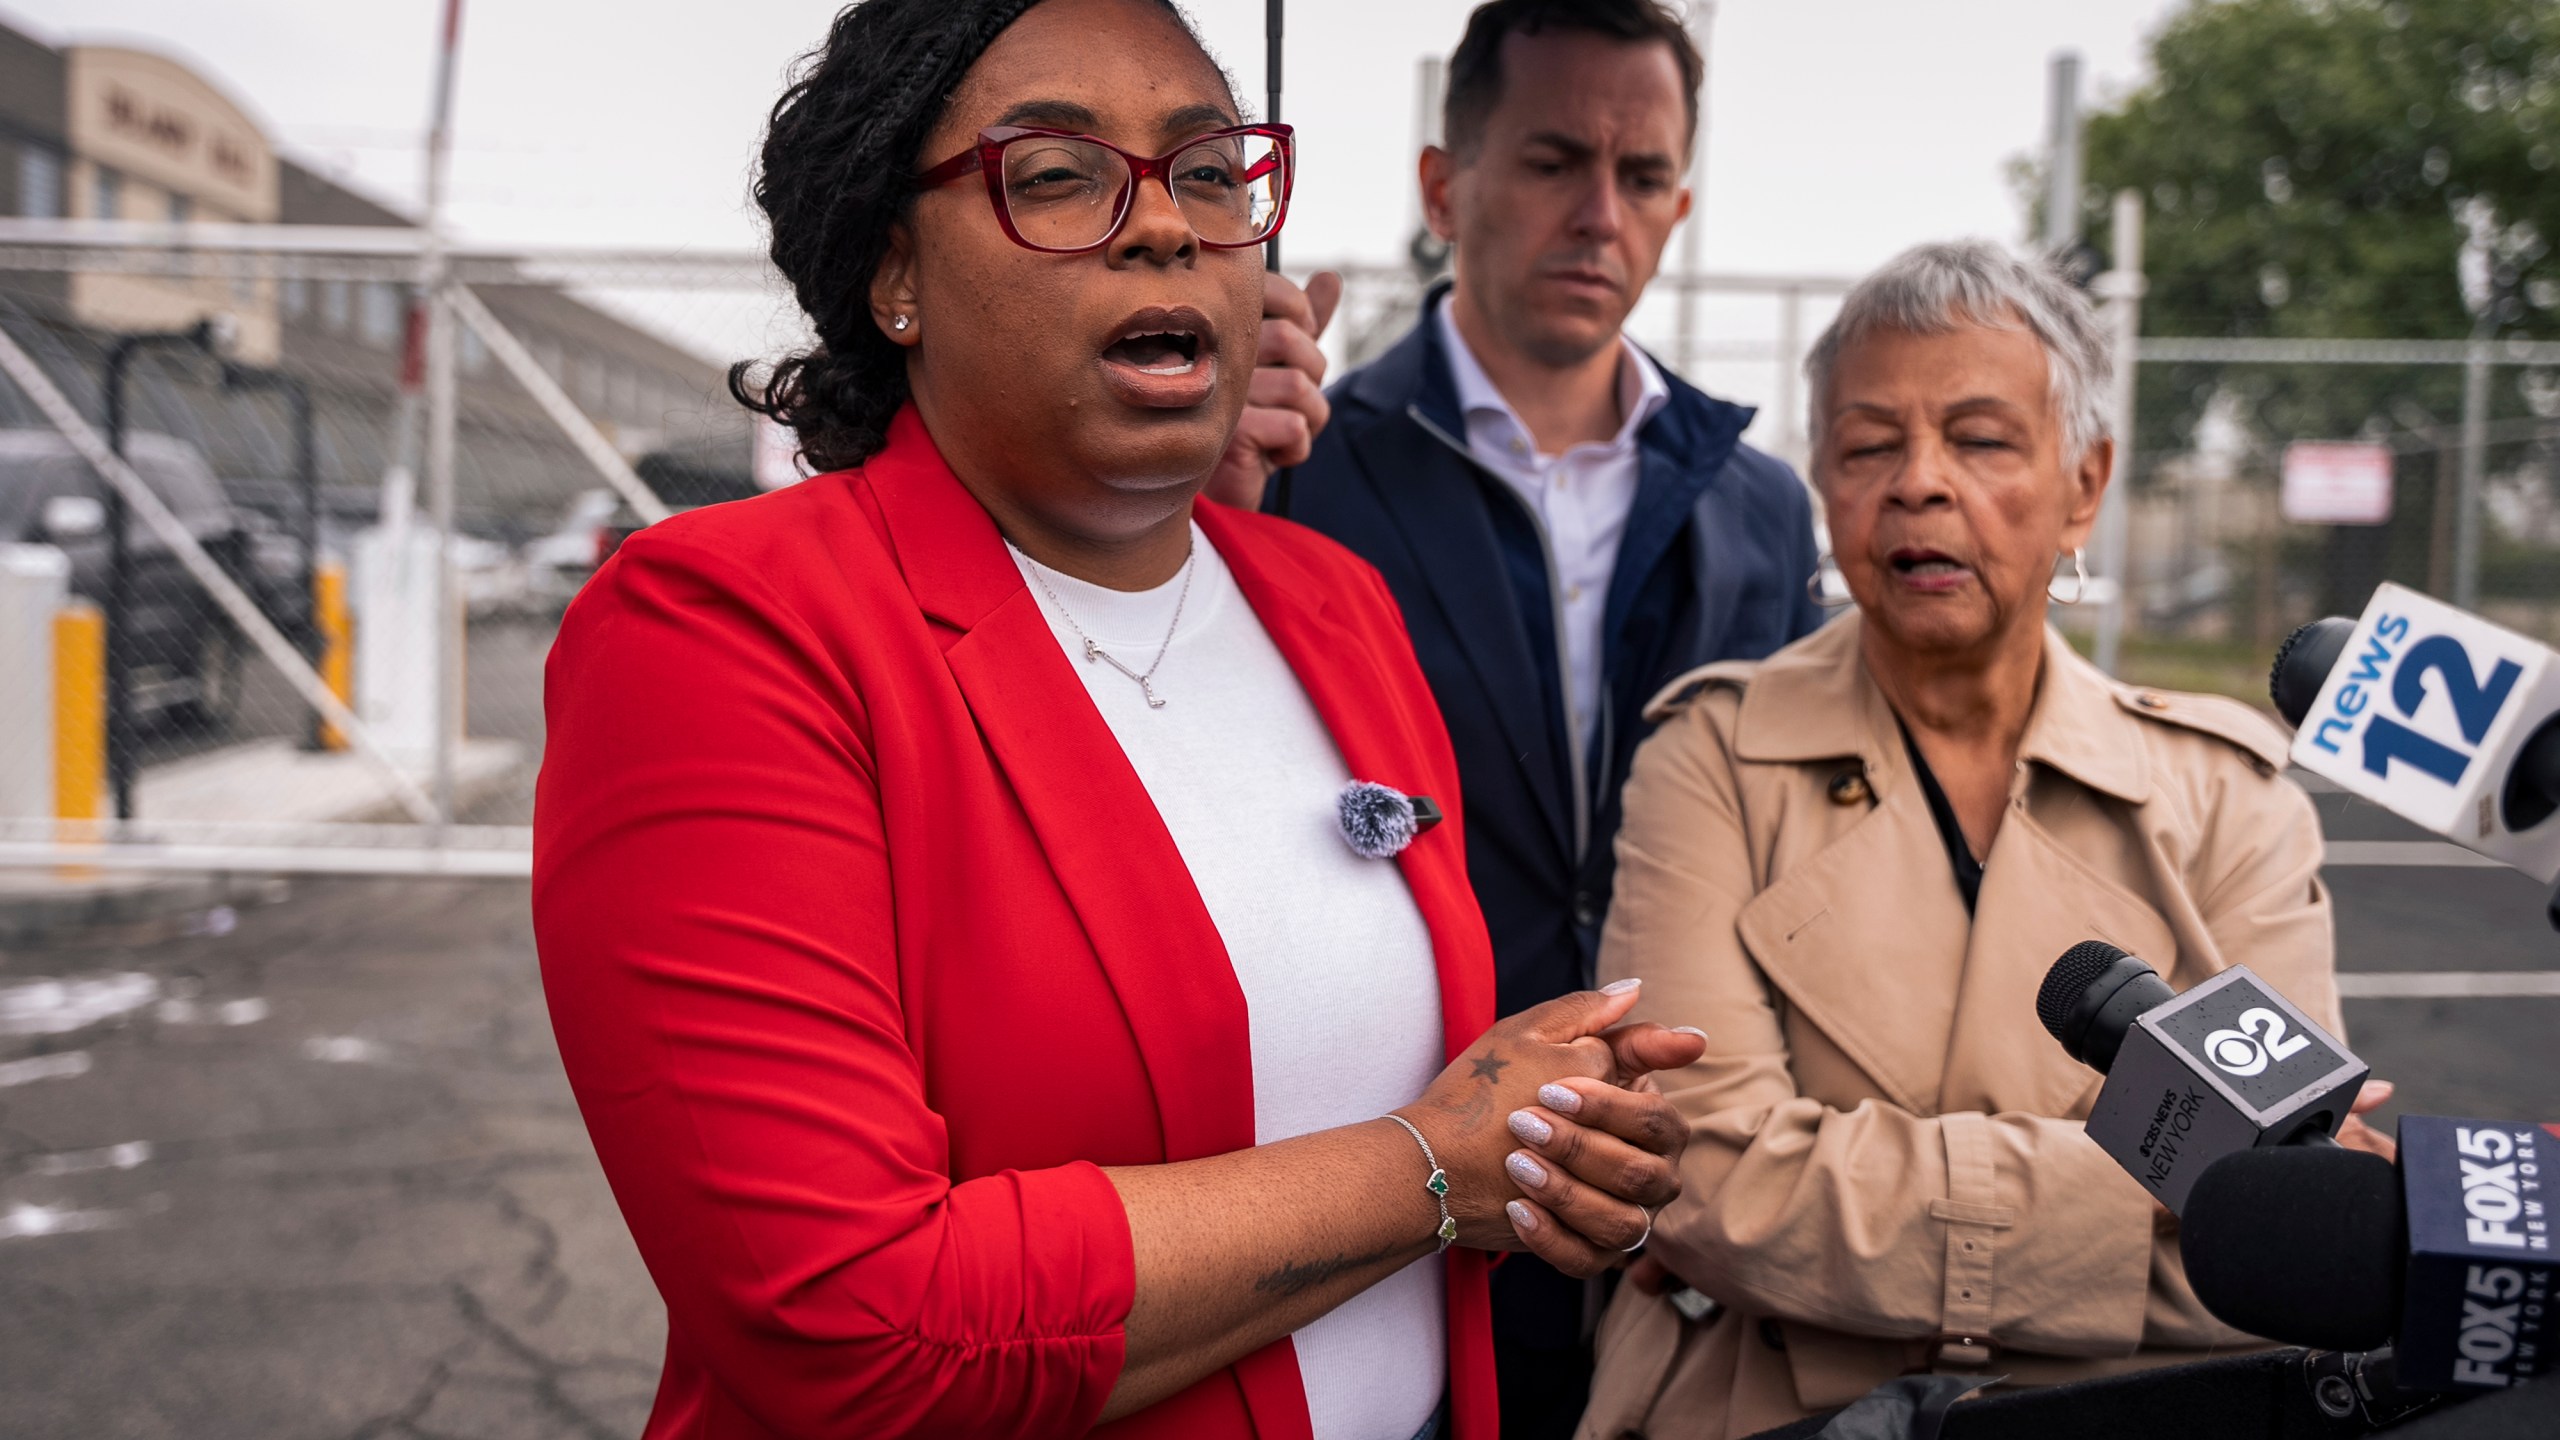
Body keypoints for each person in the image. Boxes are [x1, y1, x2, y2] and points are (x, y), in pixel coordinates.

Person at [532, 2, 1710, 1438]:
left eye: (1210, 171)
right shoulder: (728, 630)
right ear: (893, 267)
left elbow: (1382, 1073)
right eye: (1058, 175)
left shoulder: (1333, 604)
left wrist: (1543, 1132)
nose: (1164, 227)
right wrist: (1433, 1169)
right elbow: (845, 1317)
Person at [1576, 241, 2394, 1440]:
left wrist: (1830, 1247)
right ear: (1823, 480)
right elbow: (1706, 1181)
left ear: (2085, 483)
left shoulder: (2227, 793)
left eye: (1980, 439)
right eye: (1868, 445)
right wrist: (2159, 1209)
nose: (1918, 482)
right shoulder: (1709, 758)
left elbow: (2285, 1245)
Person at [1265, 1, 1824, 1429]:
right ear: (1444, 187)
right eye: (1553, 161)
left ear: (1681, 204)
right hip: (1406, 1181)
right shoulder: (1300, 475)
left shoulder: (1756, 503)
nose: (1599, 215)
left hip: (1683, 1185)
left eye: (1641, 180)